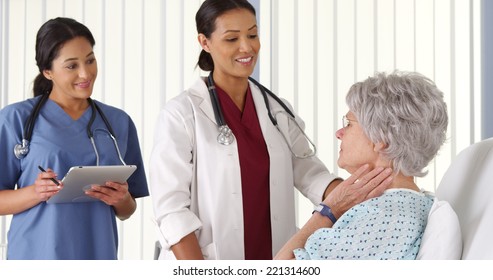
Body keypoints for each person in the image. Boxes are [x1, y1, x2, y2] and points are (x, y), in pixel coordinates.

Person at [149, 0, 391, 260]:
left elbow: (310, 174)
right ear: (205, 42)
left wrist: (367, 193)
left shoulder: (277, 110)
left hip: (275, 258)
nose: (247, 47)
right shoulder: (181, 114)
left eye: (252, 34)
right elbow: (171, 210)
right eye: (232, 39)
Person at [0, 17, 149, 260]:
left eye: (90, 60)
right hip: (36, 257)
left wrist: (121, 199)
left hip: (98, 254)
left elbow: (127, 210)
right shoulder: (15, 118)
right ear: (47, 71)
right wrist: (36, 192)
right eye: (71, 66)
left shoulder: (118, 122)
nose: (85, 73)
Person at [275, 70, 455, 260]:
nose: (339, 133)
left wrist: (328, 210)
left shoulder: (383, 219)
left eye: (349, 124)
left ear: (381, 138)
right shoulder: (410, 206)